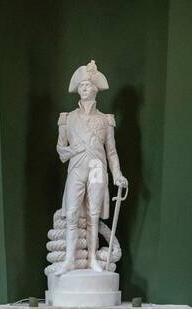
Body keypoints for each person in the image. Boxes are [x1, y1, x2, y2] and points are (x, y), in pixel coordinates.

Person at [47, 60, 129, 276]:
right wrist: (75, 149)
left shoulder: (105, 120)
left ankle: (92, 258)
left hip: (96, 167)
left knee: (93, 214)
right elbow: (60, 149)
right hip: (76, 167)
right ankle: (69, 259)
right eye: (82, 86)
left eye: (88, 86)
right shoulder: (67, 118)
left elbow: (111, 151)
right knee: (72, 213)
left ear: (95, 90)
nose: (85, 89)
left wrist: (118, 175)